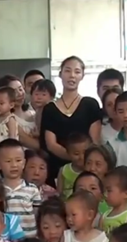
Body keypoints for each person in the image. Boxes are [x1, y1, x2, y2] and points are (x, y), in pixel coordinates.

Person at [40, 56, 102, 186]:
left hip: (86, 171)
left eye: (77, 72)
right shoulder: (50, 108)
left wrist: (82, 162)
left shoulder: (90, 104)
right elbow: (51, 144)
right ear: (60, 74)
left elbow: (95, 141)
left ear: (82, 76)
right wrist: (75, 159)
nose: (72, 75)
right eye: (67, 71)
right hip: (57, 170)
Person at [0, 139, 43, 238]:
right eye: (8, 161)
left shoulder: (33, 189)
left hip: (29, 239)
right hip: (6, 241)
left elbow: (38, 215)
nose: (14, 165)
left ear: (24, 162)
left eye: (18, 160)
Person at [100, 166, 127, 234]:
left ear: (126, 194)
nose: (105, 194)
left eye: (109, 190)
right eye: (104, 190)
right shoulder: (104, 216)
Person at [57, 133, 92, 198]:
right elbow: (59, 193)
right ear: (68, 153)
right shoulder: (63, 170)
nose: (81, 157)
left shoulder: (91, 170)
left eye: (84, 153)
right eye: (76, 154)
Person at [27, 79, 57, 145]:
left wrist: (39, 134)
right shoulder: (36, 111)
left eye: (43, 95)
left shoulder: (52, 112)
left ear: (51, 97)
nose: (39, 97)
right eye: (36, 94)